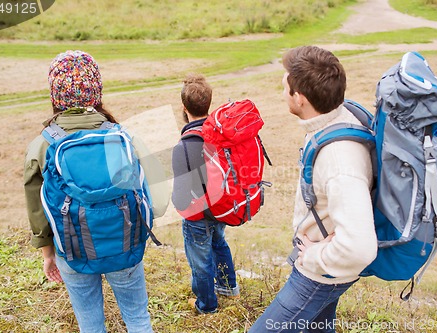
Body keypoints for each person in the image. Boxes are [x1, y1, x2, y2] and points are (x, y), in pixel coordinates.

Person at [24, 50, 169, 333]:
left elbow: (37, 211)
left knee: (90, 325)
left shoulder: (41, 146)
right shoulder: (124, 136)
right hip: (125, 245)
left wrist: (47, 253)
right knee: (138, 319)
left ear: (55, 94)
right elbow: (160, 202)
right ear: (96, 89)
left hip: (72, 251)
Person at [249, 46, 378, 332]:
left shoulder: (339, 160)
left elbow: (360, 248)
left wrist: (314, 257)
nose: (282, 92)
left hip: (319, 276)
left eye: (285, 87)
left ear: (300, 98)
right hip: (328, 270)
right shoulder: (337, 119)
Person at [171, 74, 240, 314]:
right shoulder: (220, 136)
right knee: (219, 243)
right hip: (222, 208)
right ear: (209, 103)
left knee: (200, 262)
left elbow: (180, 197)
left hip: (196, 217)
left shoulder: (183, 146)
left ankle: (206, 305)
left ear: (184, 107)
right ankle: (228, 286)